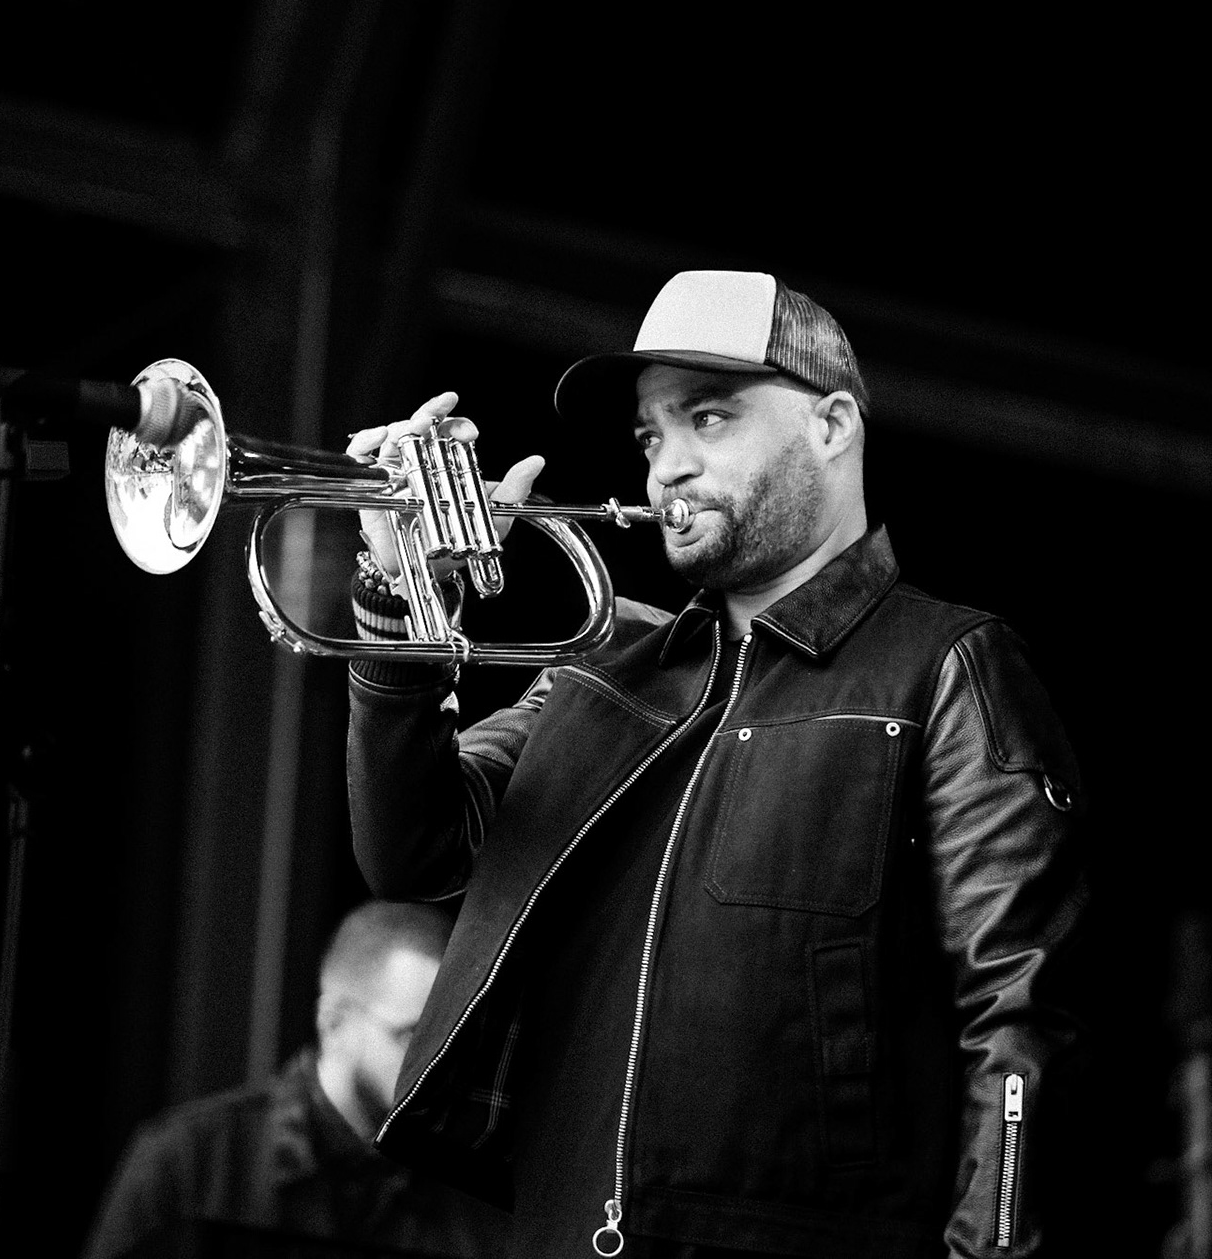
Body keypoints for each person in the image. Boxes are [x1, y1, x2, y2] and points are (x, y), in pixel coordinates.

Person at [342, 271, 1091, 1258]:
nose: (668, 468)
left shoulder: (943, 666)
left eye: (709, 417)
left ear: (831, 423)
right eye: (653, 436)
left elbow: (1018, 1020)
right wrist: (400, 604)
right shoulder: (600, 668)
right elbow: (414, 852)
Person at [81, 899, 511, 1258]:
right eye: (413, 1035)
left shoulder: (474, 1192)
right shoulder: (190, 1161)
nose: (442, 1063)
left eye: (455, 1040)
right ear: (333, 1022)